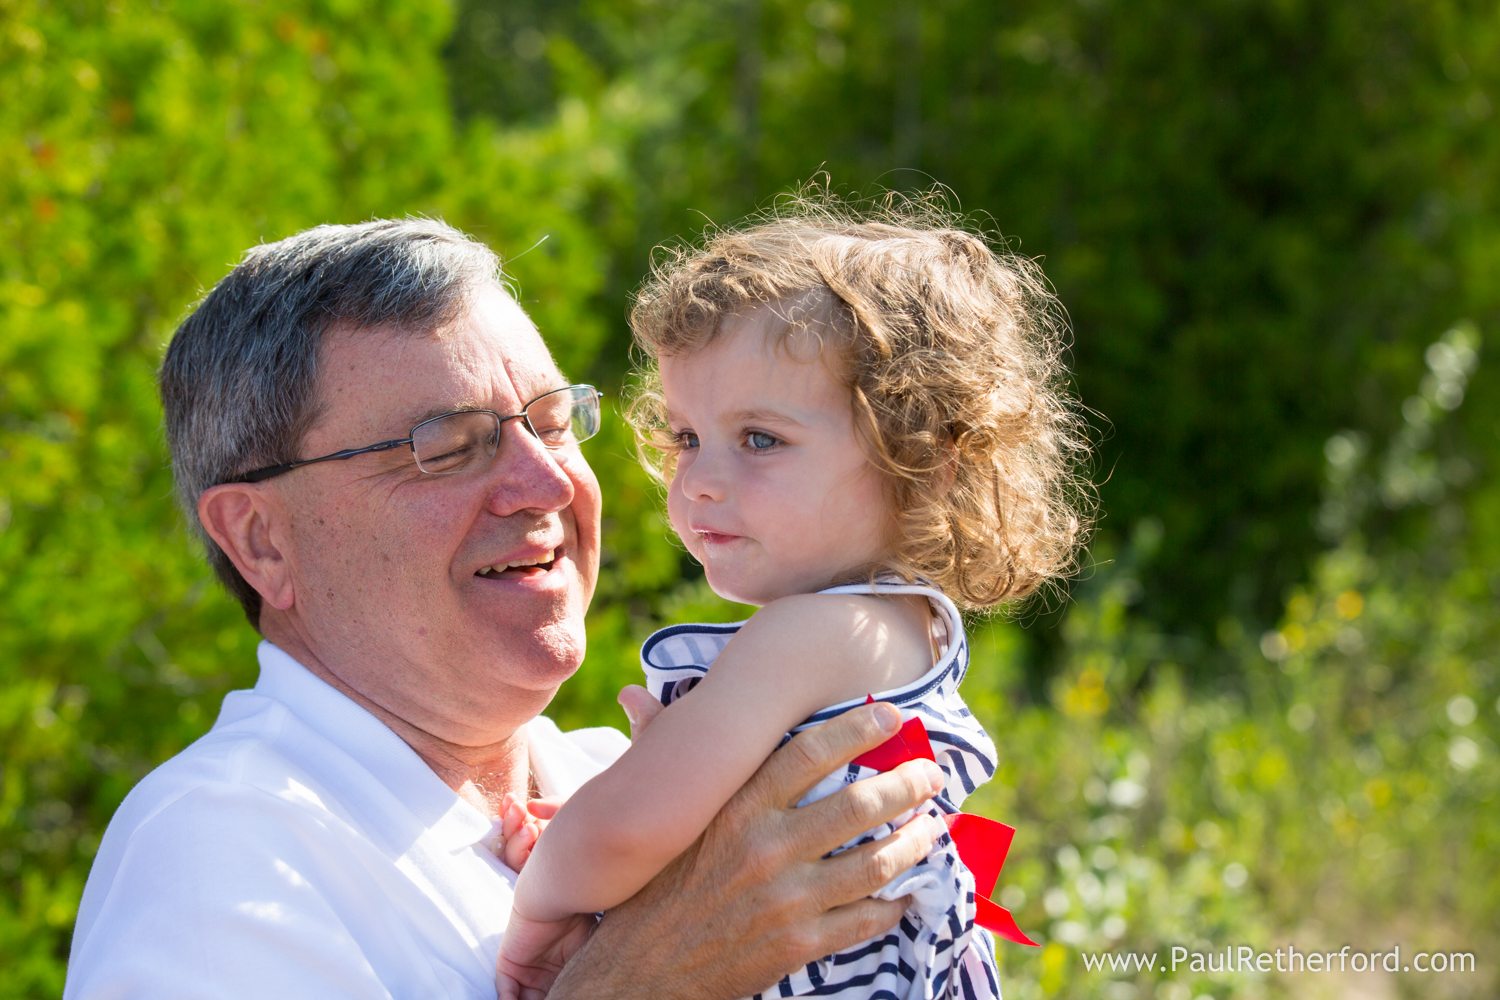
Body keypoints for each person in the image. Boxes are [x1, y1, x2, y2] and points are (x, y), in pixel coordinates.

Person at [64, 218, 953, 999]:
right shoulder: (220, 853)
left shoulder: (632, 783)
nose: (547, 481)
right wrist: (647, 979)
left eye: (555, 422)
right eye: (449, 446)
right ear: (261, 540)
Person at [498, 196, 1092, 998]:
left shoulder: (811, 636)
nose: (700, 481)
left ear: (917, 461)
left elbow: (624, 832)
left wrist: (541, 903)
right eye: (687, 437)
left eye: (761, 440)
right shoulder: (909, 628)